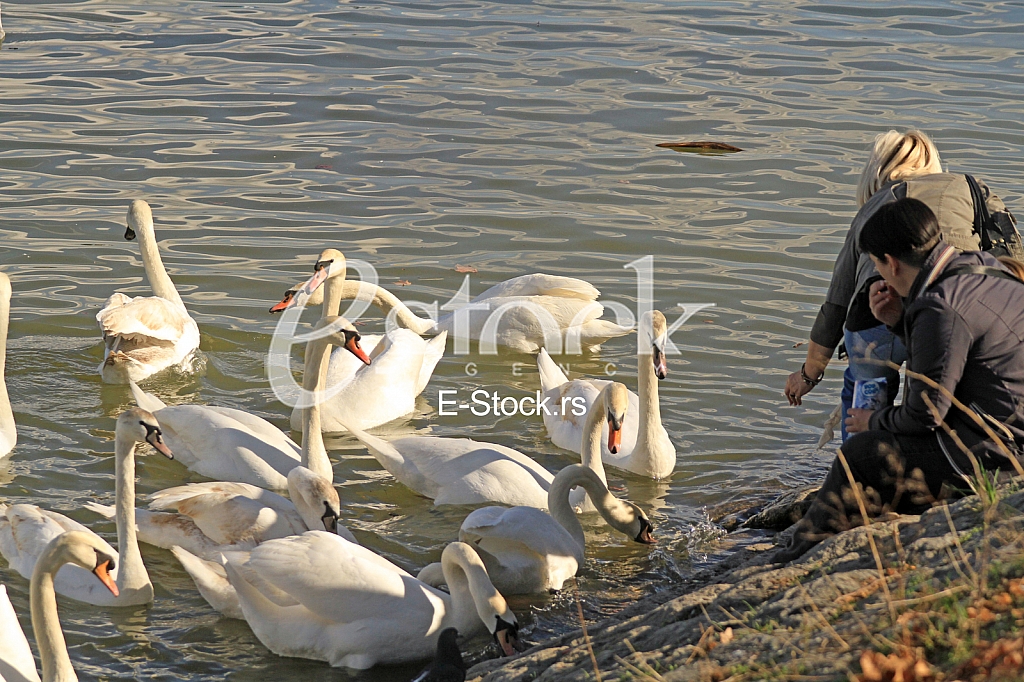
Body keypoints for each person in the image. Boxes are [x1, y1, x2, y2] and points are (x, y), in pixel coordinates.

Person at [774, 198, 1024, 563]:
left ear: (889, 262)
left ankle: (798, 555)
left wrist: (871, 421)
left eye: (876, 264)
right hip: (1010, 429)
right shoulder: (983, 267)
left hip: (996, 456)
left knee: (860, 454)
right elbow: (949, 361)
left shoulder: (941, 306)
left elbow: (925, 415)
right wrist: (897, 319)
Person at [784, 130, 1013, 441]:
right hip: (963, 306)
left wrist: (809, 374)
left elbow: (836, 302)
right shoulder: (974, 190)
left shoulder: (874, 205)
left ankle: (859, 465)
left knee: (865, 390)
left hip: (877, 307)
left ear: (875, 172)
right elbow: (1011, 258)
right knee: (946, 389)